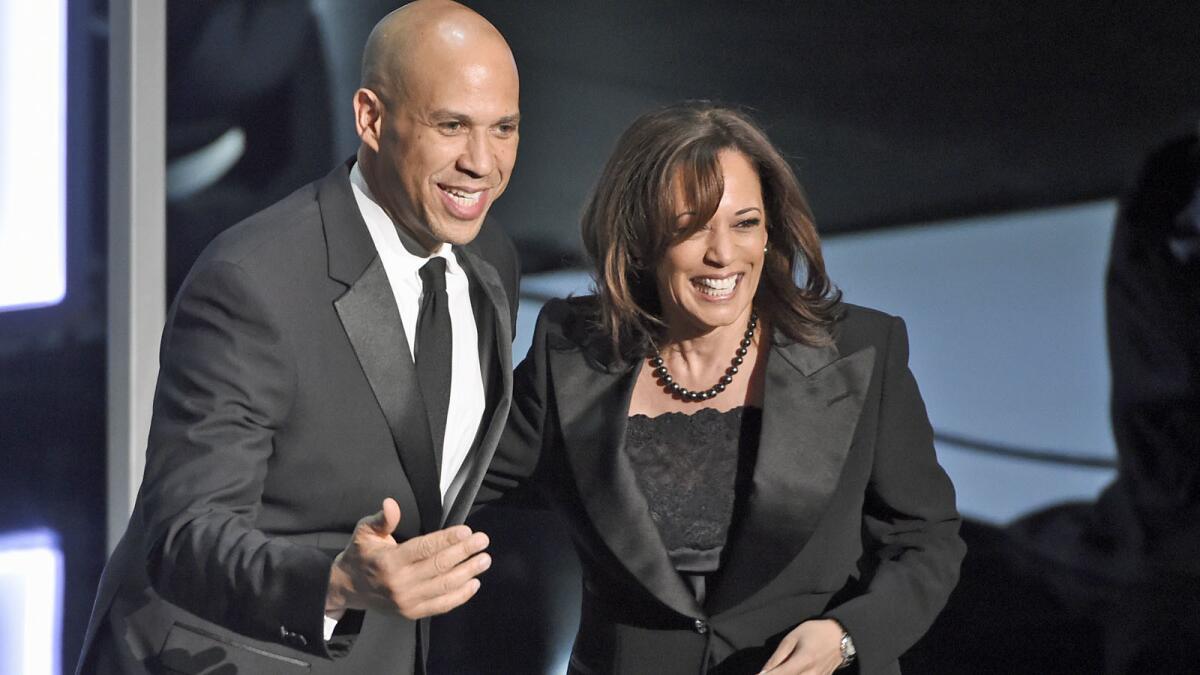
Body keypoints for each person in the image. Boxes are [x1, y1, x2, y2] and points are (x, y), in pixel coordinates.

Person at [77, 1, 520, 673]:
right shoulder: (252, 280)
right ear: (372, 118)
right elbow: (187, 530)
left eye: (504, 129)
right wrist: (337, 584)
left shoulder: (490, 260)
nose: (481, 162)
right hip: (222, 656)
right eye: (452, 126)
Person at [480, 102, 965, 674]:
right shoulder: (572, 353)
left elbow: (926, 540)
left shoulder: (861, 352)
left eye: (744, 223)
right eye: (690, 227)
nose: (722, 253)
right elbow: (451, 485)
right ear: (639, 238)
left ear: (770, 232)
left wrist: (847, 635)